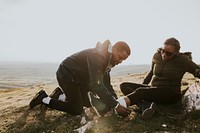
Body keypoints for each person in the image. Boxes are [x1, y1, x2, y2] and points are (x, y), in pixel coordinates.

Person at [29, 40, 131, 117]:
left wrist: (115, 100)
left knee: (88, 103)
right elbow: (96, 85)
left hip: (79, 78)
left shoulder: (109, 60)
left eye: (123, 60)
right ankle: (43, 98)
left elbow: (106, 84)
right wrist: (116, 105)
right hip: (67, 75)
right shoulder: (99, 56)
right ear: (113, 49)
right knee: (76, 109)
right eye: (120, 57)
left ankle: (60, 95)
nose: (120, 61)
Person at [118, 37, 200, 119]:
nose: (164, 55)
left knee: (140, 92)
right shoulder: (156, 56)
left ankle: (117, 106)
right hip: (155, 89)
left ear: (176, 53)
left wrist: (141, 92)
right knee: (124, 85)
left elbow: (197, 71)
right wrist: (144, 86)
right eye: (163, 51)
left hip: (170, 93)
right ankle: (145, 106)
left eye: (168, 53)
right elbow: (151, 73)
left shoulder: (183, 60)